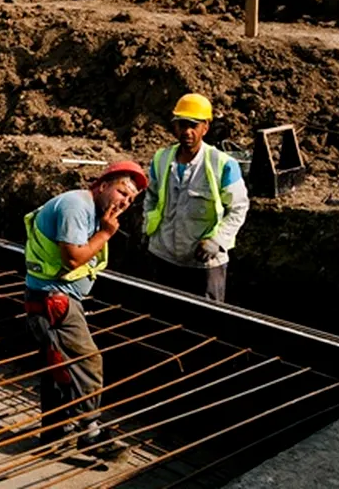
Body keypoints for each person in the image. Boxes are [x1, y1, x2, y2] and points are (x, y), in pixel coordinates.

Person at [23, 161, 148, 461]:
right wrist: (106, 234)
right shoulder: (77, 206)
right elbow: (72, 259)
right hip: (54, 302)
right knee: (89, 363)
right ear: (102, 185)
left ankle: (52, 435)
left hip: (54, 300)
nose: (124, 202)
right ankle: (90, 434)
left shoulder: (92, 211)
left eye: (130, 200)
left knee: (59, 369)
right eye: (121, 191)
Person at [143, 93, 249, 303]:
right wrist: (147, 230)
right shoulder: (161, 159)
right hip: (165, 256)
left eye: (193, 125)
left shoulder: (223, 164)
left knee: (204, 324)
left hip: (204, 263)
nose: (187, 131)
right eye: (182, 125)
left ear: (205, 127)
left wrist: (218, 242)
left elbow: (238, 207)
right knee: (161, 319)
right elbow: (151, 197)